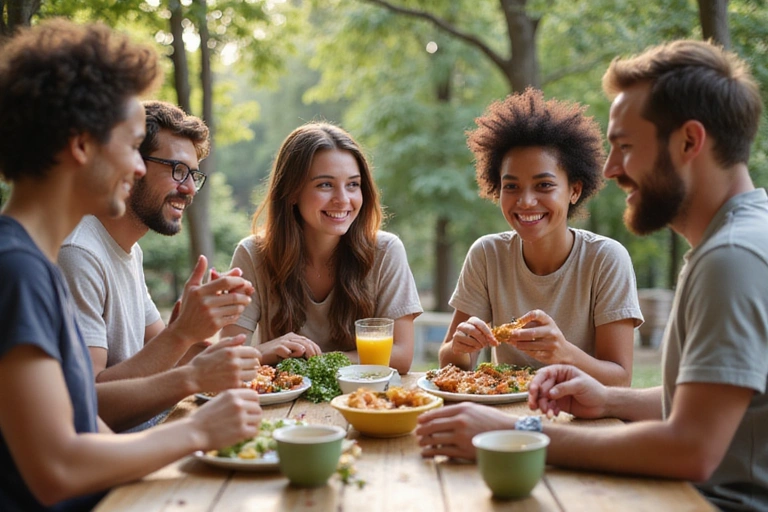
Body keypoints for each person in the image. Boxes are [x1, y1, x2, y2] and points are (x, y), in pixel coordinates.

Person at [416, 40, 768, 511]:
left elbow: (690, 449)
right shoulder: (735, 242)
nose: (611, 168)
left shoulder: (731, 258)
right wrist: (607, 401)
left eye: (626, 146)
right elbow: (699, 407)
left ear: (689, 142)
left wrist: (515, 431)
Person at [0, 20, 262, 511]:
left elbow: (89, 427)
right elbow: (57, 469)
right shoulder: (18, 270)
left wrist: (193, 341)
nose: (139, 166)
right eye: (131, 144)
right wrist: (198, 430)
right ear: (81, 144)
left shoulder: (32, 263)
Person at [58, 100, 258, 432]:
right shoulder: (79, 253)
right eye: (177, 169)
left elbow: (168, 353)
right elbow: (88, 408)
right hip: (121, 455)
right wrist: (182, 333)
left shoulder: (129, 250)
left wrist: (257, 352)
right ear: (133, 165)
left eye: (193, 175)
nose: (189, 188)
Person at [438, 88, 642, 386]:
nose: (526, 201)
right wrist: (460, 347)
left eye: (544, 185)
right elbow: (450, 362)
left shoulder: (606, 259)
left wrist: (564, 353)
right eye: (511, 187)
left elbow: (620, 379)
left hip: (577, 409)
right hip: (506, 409)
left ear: (574, 190)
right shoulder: (487, 254)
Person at [220, 122, 422, 374]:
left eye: (353, 184)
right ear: (292, 192)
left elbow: (400, 355)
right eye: (325, 185)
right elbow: (228, 358)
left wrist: (315, 360)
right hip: (283, 397)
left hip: (366, 395)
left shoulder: (386, 251)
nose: (343, 200)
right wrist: (267, 350)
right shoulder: (253, 254)